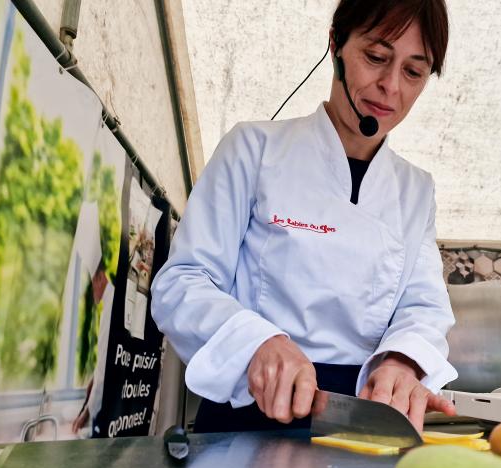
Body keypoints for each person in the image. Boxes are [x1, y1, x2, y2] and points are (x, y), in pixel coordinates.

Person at [151, 0, 457, 433]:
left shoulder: (415, 189)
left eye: (413, 71)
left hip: (357, 425)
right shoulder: (254, 149)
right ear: (335, 44)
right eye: (376, 57)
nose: (390, 86)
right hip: (248, 414)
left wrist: (403, 361)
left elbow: (423, 308)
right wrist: (258, 342)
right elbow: (181, 281)